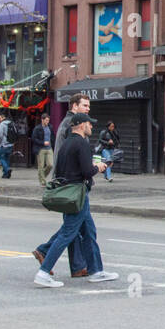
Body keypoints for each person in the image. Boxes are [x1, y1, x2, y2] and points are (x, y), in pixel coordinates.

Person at [33, 113, 117, 287]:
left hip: (70, 194)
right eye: (89, 124)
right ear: (80, 125)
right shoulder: (81, 144)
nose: (92, 127)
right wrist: (99, 167)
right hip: (77, 194)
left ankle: (96, 271)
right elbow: (87, 171)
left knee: (89, 232)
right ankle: (43, 273)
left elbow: (62, 169)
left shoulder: (66, 144)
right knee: (67, 234)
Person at [35, 96, 91, 276]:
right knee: (73, 227)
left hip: (72, 184)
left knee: (77, 227)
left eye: (89, 105)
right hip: (72, 185)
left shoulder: (70, 123)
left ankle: (78, 266)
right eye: (84, 105)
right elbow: (71, 157)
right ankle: (45, 255)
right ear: (74, 106)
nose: (88, 108)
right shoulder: (72, 127)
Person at [34, 113, 54, 186]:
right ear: (42, 120)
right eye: (46, 120)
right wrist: (43, 143)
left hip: (49, 148)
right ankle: (42, 181)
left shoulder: (50, 127)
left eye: (48, 120)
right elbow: (34, 139)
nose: (47, 122)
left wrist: (53, 145)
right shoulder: (37, 128)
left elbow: (52, 137)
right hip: (40, 148)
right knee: (41, 166)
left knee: (50, 165)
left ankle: (41, 176)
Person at [0, 113, 14, 179]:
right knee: (7, 159)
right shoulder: (11, 123)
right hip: (11, 144)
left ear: (3, 118)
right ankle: (6, 174)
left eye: (0, 118)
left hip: (4, 144)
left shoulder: (2, 124)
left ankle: (7, 169)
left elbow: (0, 135)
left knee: (1, 158)